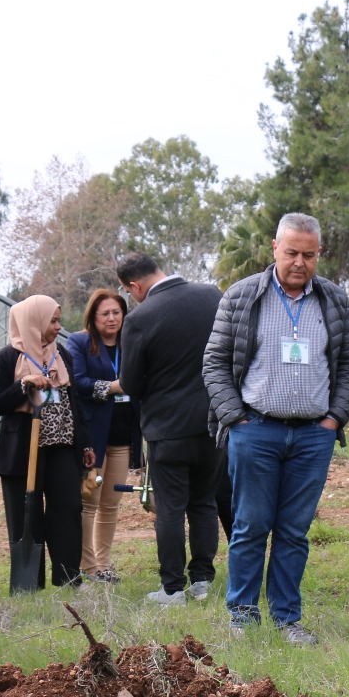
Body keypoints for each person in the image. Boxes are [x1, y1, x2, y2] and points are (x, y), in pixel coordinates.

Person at [203, 213, 349, 646]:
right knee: (250, 526)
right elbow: (214, 362)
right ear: (275, 248)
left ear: (319, 255)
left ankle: (287, 619)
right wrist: (235, 418)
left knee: (294, 531)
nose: (299, 262)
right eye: (291, 252)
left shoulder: (334, 300)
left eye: (308, 255)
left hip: (313, 435)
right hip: (255, 430)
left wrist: (334, 420)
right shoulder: (241, 296)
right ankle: (242, 615)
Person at [118, 252, 224, 605]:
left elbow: (131, 383)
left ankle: (172, 588)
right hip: (213, 421)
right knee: (204, 501)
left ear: (135, 285)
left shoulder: (140, 318)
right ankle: (203, 581)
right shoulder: (211, 295)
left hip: (167, 428)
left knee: (171, 508)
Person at [0, 295, 94, 589]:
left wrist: (85, 444)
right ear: (34, 321)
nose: (58, 327)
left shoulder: (62, 354)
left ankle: (69, 577)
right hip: (23, 451)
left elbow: (75, 403)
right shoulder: (10, 356)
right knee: (26, 515)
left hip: (62, 446)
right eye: (53, 320)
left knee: (68, 510)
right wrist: (25, 384)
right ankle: (29, 585)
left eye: (59, 320)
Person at [65, 288, 143, 582]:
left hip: (124, 435)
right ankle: (88, 565)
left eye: (117, 313)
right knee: (89, 501)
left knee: (111, 503)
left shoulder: (131, 343)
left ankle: (104, 565)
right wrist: (112, 387)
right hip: (93, 434)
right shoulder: (80, 342)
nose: (112, 319)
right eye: (105, 313)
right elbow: (78, 382)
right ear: (93, 317)